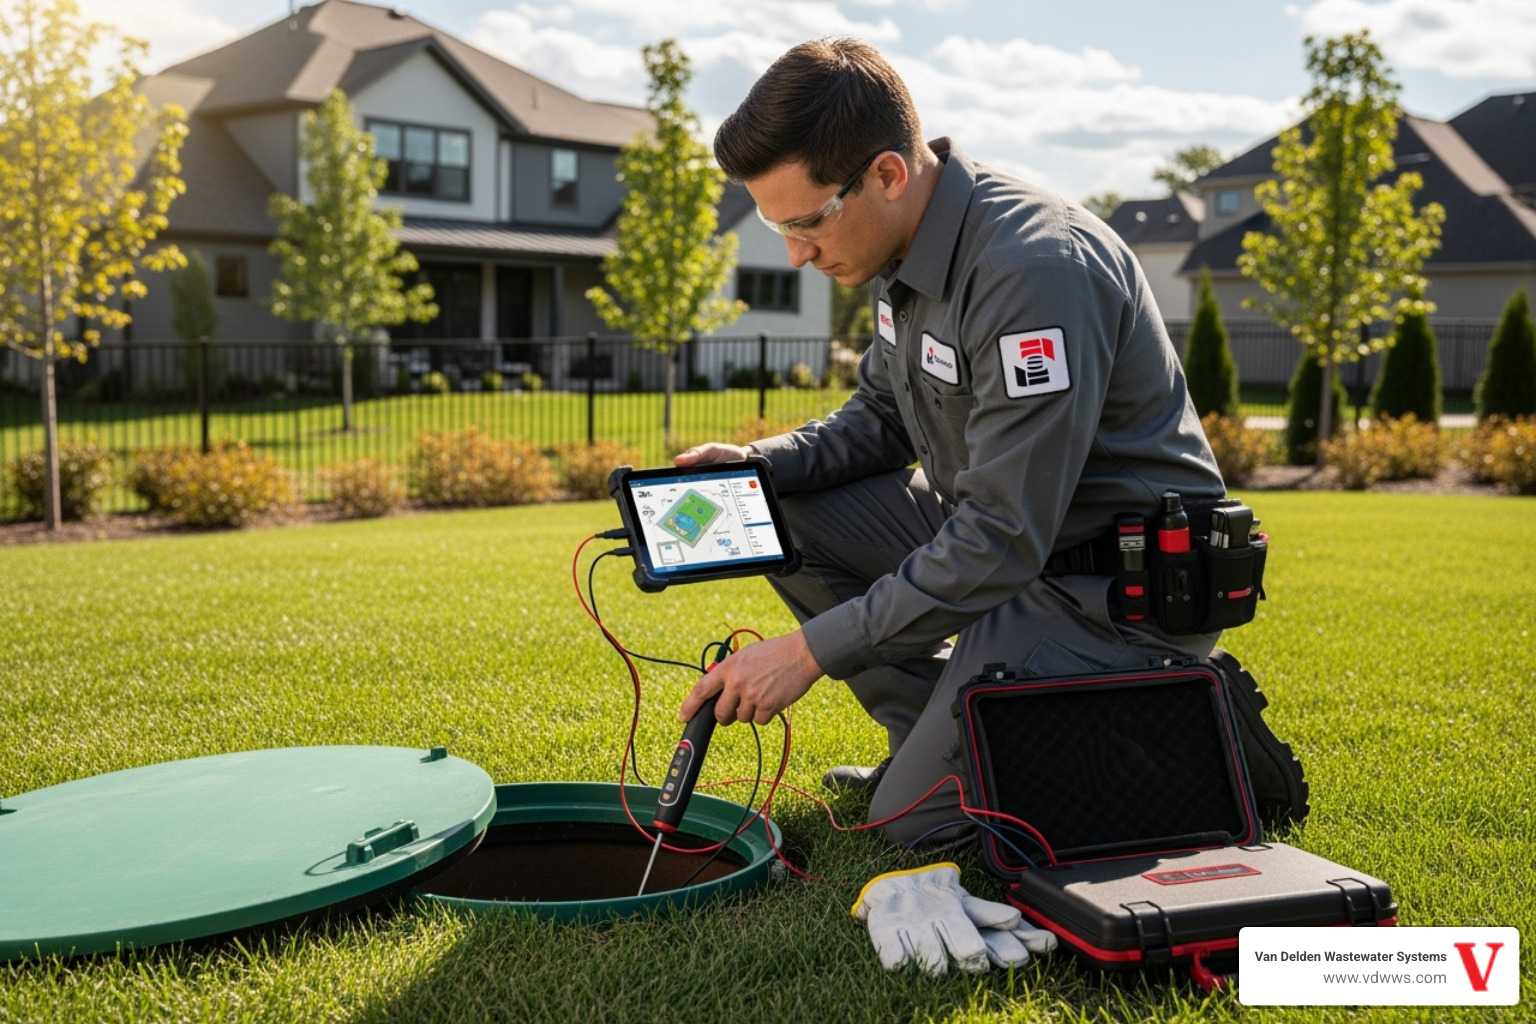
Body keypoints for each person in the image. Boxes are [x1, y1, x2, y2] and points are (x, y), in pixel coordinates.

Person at [675, 37, 1301, 845]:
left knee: (910, 825)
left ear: (888, 174)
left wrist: (807, 653)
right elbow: (881, 416)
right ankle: (937, 738)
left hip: (1106, 596)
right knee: (781, 508)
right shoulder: (898, 251)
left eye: (807, 223)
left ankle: (1178, 732)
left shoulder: (1032, 269)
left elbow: (1003, 531)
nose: (797, 255)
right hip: (1014, 561)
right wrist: (760, 464)